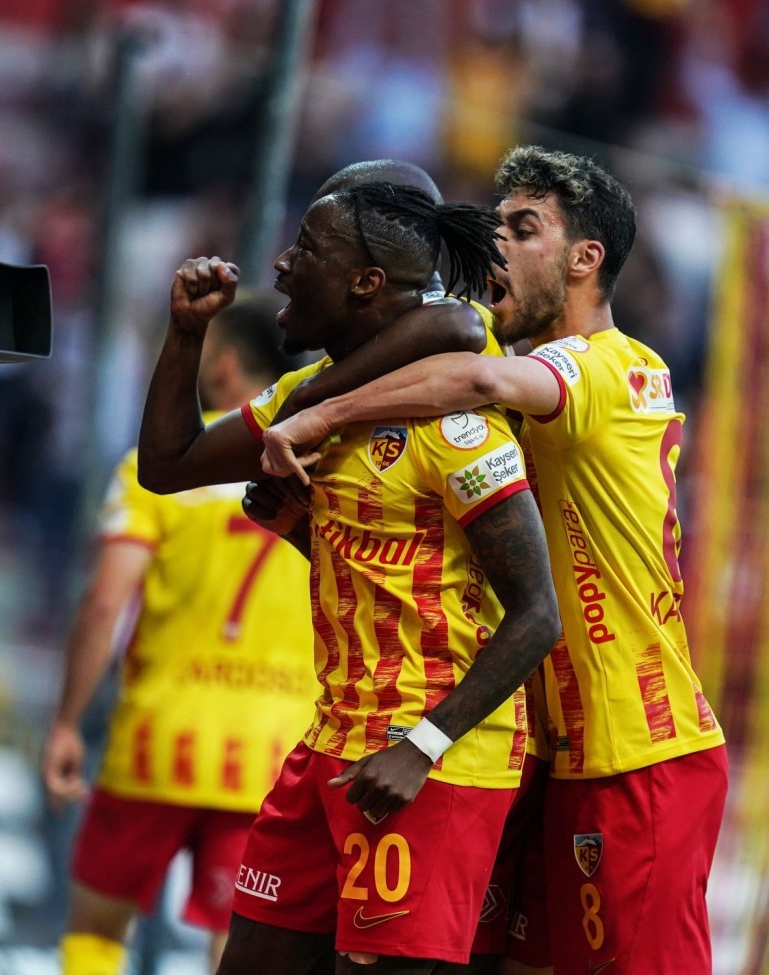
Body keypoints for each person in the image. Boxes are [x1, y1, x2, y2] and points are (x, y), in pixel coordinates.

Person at [260, 146, 729, 975]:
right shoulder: (516, 384)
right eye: (494, 225)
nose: (496, 246)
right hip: (536, 750)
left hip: (636, 747)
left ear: (585, 259)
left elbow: (474, 375)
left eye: (524, 229)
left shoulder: (610, 364)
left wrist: (317, 411)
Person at [136, 182, 560, 974]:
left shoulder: (455, 419)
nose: (282, 263)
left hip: (430, 760)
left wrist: (423, 746)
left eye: (308, 249)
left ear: (366, 282)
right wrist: (186, 334)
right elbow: (166, 465)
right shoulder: (306, 398)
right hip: (331, 740)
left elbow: (538, 613)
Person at [40, 291, 320, 975]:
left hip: (155, 742)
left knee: (96, 928)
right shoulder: (325, 466)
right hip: (272, 756)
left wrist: (68, 721)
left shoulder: (159, 467)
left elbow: (106, 602)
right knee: (238, 943)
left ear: (224, 366)